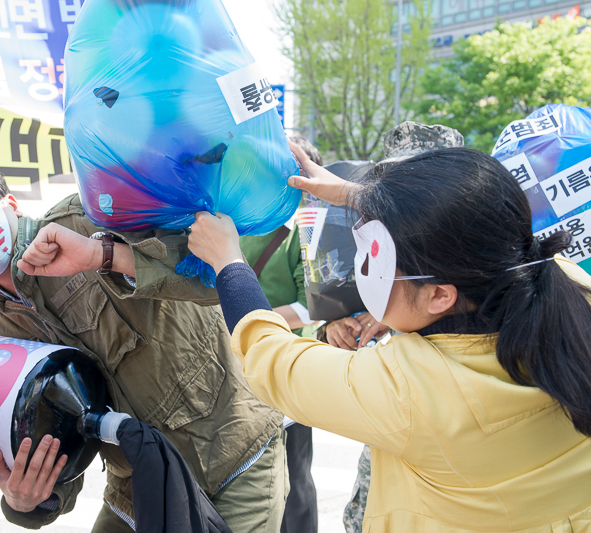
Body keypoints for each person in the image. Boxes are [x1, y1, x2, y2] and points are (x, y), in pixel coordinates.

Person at [187, 145, 591, 532]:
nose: (361, 266)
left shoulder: (410, 391)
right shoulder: (563, 284)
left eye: (375, 257)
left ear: (439, 296)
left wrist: (228, 262)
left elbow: (271, 359)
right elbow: (468, 225)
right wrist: (356, 194)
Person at [0, 151, 287, 533]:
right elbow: (56, 448)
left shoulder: (87, 216)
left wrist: (104, 255)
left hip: (234, 447)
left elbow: (211, 277)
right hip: (138, 481)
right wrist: (26, 501)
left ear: (10, 204)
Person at [312, 121, 464, 533]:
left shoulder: (472, 245)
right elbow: (339, 300)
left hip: (450, 442)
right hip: (389, 430)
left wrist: (399, 310)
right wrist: (333, 328)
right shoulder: (378, 234)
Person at [239, 133, 319, 533]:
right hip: (236, 370)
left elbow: (313, 306)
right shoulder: (237, 221)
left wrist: (245, 318)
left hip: (286, 374)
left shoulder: (305, 230)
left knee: (294, 480)